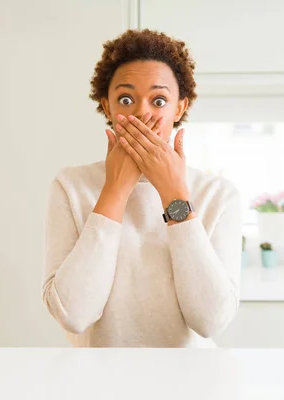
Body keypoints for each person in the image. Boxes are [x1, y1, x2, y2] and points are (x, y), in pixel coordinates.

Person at [42, 29, 242, 347]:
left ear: (179, 108)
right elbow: (74, 314)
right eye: (125, 99)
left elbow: (211, 320)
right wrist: (116, 190)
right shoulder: (71, 186)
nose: (142, 113)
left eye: (159, 100)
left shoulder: (217, 194)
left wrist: (175, 196)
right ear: (107, 107)